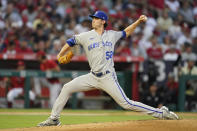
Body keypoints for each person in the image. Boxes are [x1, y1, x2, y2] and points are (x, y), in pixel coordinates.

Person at [38, 11, 179, 127]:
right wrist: (59, 54)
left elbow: (126, 32)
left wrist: (138, 22)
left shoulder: (112, 35)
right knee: (67, 87)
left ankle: (161, 113)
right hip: (92, 76)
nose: (93, 20)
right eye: (93, 18)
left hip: (108, 77)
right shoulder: (86, 36)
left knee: (126, 104)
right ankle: (54, 119)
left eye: (96, 18)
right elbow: (71, 41)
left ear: (103, 21)